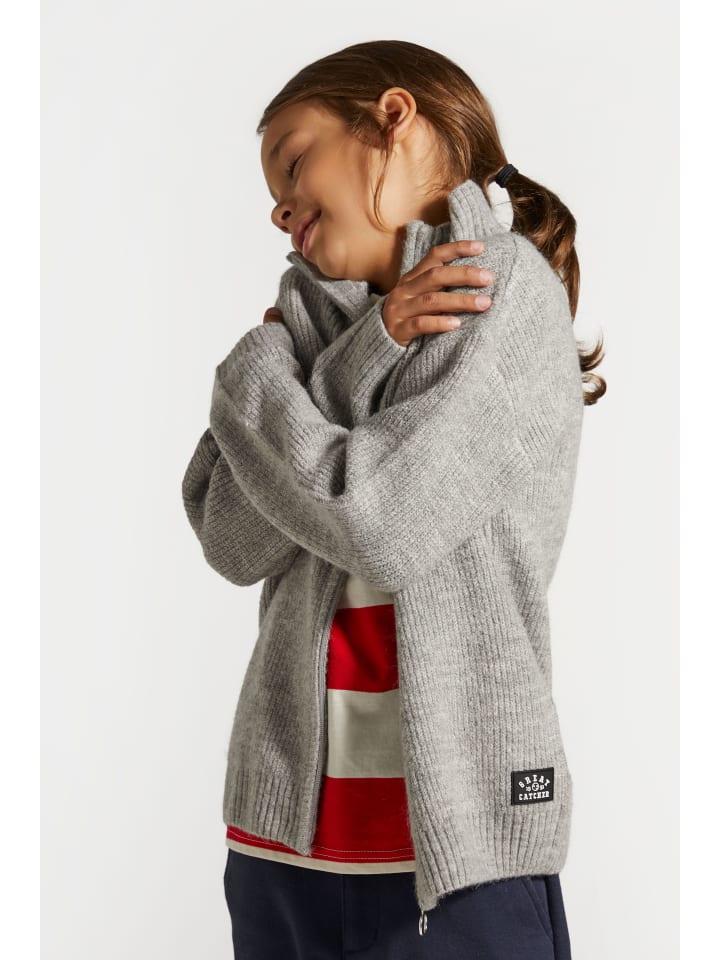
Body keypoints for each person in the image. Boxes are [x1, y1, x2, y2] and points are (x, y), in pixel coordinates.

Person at [182, 39, 605, 960]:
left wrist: (257, 379)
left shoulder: (498, 289)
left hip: (456, 858)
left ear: (392, 120)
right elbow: (228, 535)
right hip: (281, 851)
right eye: (272, 191)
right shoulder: (313, 329)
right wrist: (368, 341)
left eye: (295, 160)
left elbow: (379, 522)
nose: (279, 206)